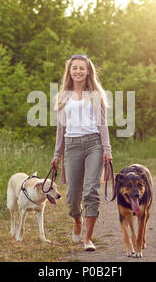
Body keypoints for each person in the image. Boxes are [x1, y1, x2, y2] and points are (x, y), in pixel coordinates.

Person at [50, 54, 112, 252]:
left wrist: (107, 149)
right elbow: (60, 129)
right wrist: (56, 154)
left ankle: (88, 238)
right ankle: (77, 220)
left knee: (91, 190)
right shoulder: (62, 97)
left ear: (88, 71)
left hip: (94, 144)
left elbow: (102, 125)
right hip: (71, 145)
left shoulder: (96, 95)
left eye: (81, 68)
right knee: (72, 197)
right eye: (74, 68)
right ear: (69, 71)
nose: (77, 71)